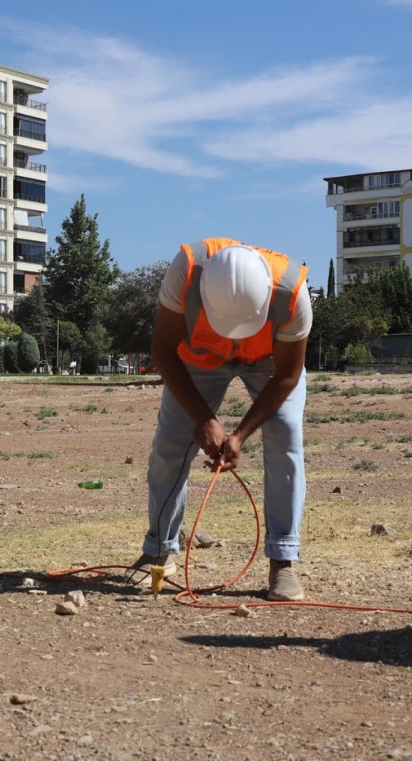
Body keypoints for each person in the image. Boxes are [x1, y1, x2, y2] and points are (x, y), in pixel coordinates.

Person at [128, 239, 311, 600]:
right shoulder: (185, 272)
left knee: (285, 437)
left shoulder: (293, 294)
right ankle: (157, 553)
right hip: (199, 357)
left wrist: (241, 434)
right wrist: (202, 418)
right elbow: (163, 351)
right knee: (170, 445)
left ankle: (283, 561)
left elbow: (288, 375)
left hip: (269, 361)